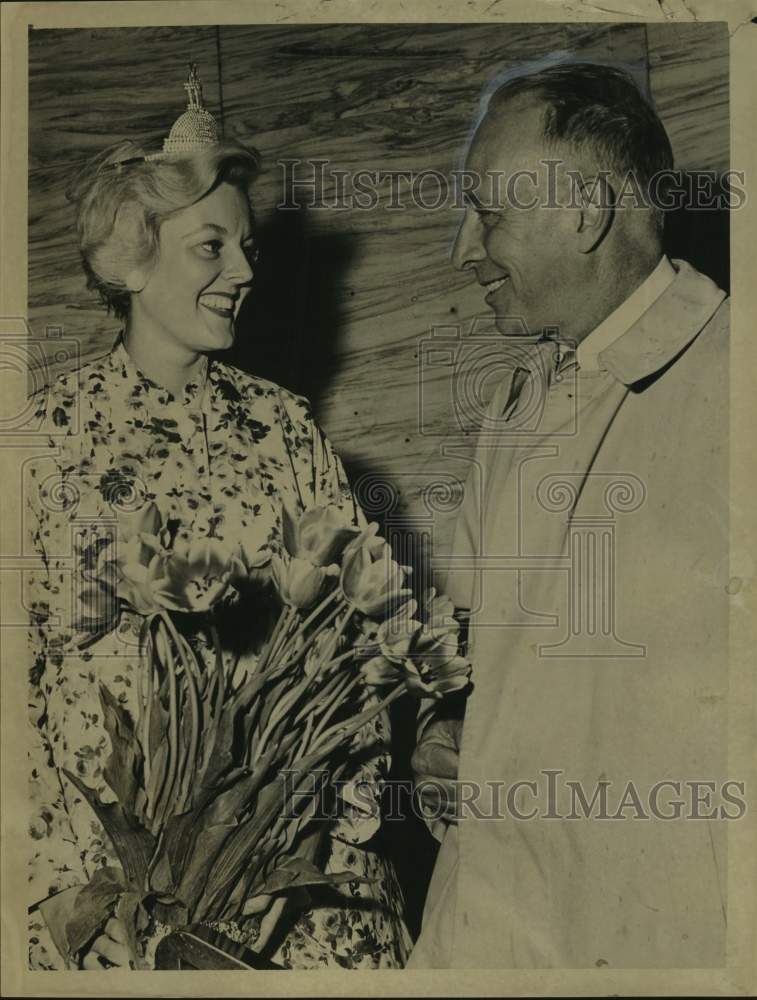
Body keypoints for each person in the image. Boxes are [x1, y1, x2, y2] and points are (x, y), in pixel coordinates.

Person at [27, 67, 411, 971]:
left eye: (245, 249)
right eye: (212, 247)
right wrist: (59, 893)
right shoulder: (45, 439)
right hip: (115, 905)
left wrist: (329, 824)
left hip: (299, 893)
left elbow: (365, 640)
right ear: (131, 257)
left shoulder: (284, 427)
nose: (244, 271)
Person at [409, 62, 731, 968]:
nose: (463, 249)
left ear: (585, 211)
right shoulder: (514, 411)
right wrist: (450, 733)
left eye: (489, 213)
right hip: (495, 922)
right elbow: (490, 662)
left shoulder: (731, 378)